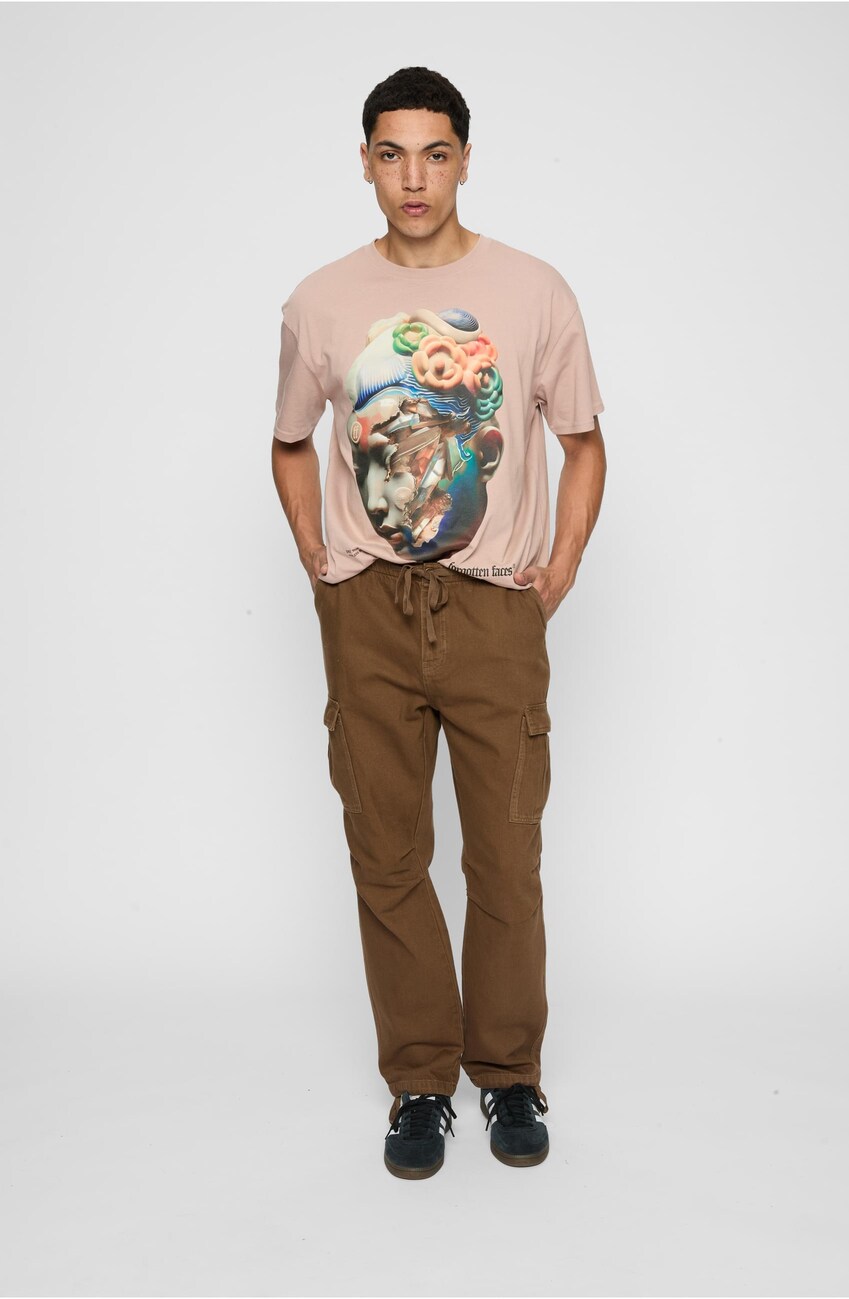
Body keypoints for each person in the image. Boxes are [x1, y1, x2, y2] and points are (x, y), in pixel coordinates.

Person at [271, 66, 607, 1180]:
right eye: (392, 154)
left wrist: (559, 567)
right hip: (366, 610)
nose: (413, 177)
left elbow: (584, 442)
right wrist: (318, 560)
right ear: (365, 162)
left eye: (435, 153)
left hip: (495, 608)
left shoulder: (534, 290)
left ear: (464, 159)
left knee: (506, 853)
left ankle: (508, 1072)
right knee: (388, 852)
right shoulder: (320, 301)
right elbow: (289, 441)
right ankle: (420, 1081)